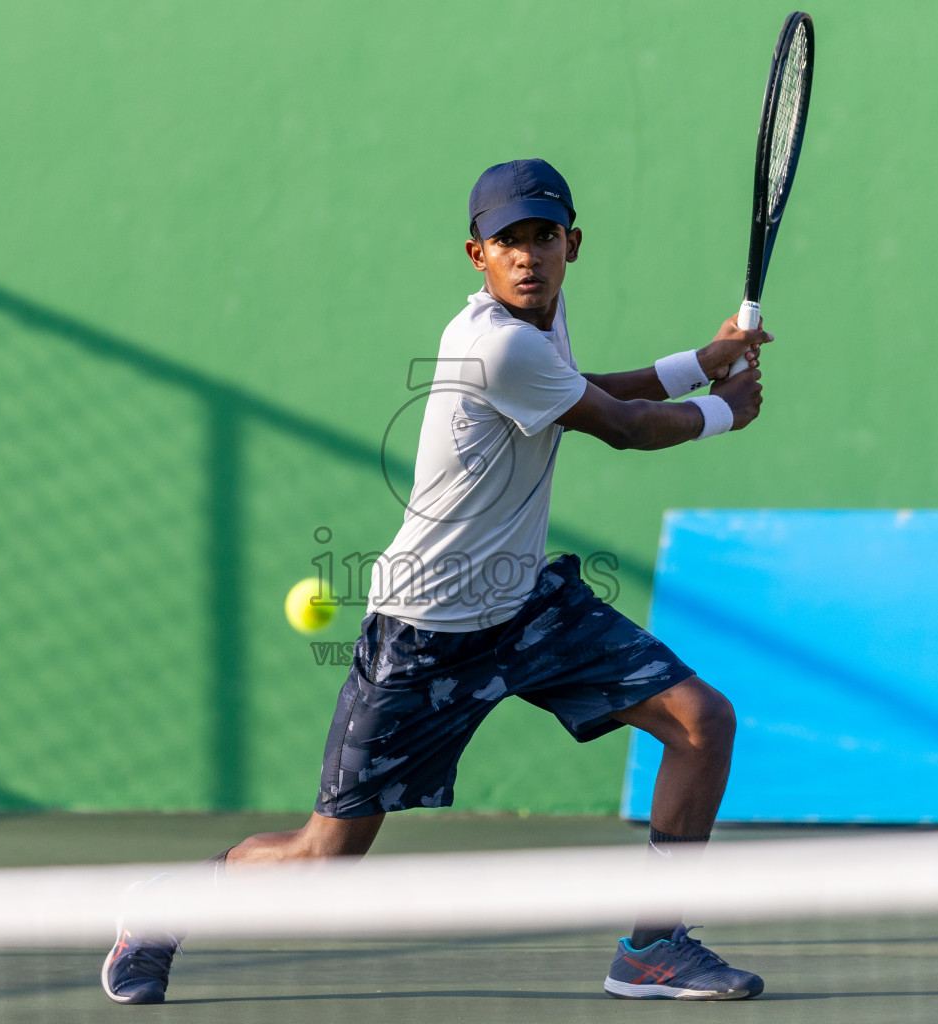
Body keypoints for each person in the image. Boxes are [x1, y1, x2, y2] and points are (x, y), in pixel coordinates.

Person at [103, 158, 770, 1004]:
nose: (526, 255)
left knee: (701, 721)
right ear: (476, 255)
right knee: (322, 860)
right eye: (506, 242)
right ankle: (162, 907)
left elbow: (584, 390)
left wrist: (695, 364)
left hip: (522, 603)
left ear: (572, 243)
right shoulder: (493, 342)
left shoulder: (543, 324)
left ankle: (654, 945)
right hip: (425, 632)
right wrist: (725, 410)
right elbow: (623, 429)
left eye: (541, 236)